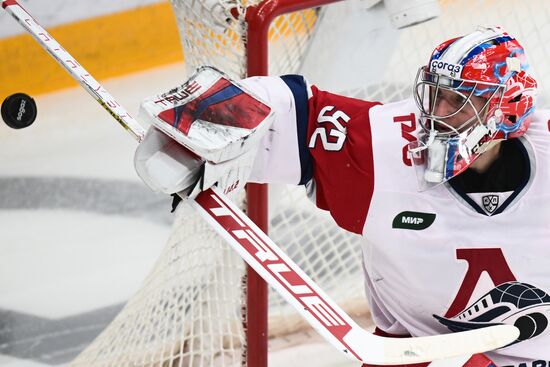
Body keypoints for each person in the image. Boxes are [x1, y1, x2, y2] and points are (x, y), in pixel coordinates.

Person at [134, 26, 549, 367]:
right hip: (419, 353)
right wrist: (208, 120)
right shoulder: (386, 148)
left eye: (456, 101)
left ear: (505, 109)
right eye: (434, 94)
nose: (435, 113)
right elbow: (295, 112)